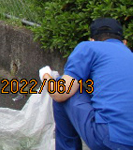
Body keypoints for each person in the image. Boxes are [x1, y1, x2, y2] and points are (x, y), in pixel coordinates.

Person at [40, 18, 133, 150]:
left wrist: (45, 76)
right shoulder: (129, 55)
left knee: (60, 87)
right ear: (124, 42)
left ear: (92, 40)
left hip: (110, 139)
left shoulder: (89, 47)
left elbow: (60, 93)